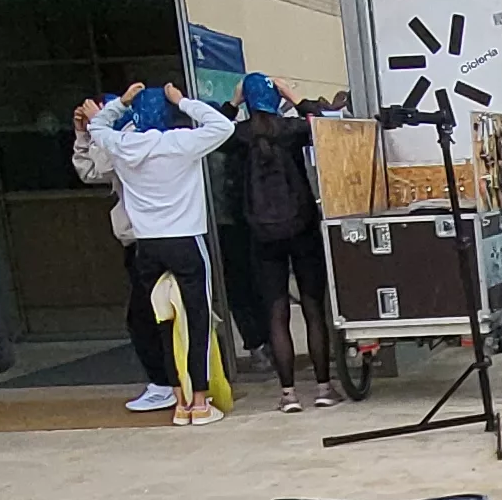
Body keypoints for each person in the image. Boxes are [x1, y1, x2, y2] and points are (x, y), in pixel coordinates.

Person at [84, 84, 238, 423]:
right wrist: (182, 100)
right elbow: (223, 126)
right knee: (197, 320)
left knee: (164, 322)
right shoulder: (180, 142)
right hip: (185, 240)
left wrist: (120, 103)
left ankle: (181, 402)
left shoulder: (122, 145)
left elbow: (97, 127)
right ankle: (200, 402)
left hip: (147, 246)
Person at [223, 73, 339, 409]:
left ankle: (288, 394)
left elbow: (211, 129)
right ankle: (323, 388)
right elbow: (326, 125)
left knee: (276, 311)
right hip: (301, 228)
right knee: (313, 308)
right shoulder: (291, 130)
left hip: (261, 235)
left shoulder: (240, 135)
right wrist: (293, 95)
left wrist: (232, 103)